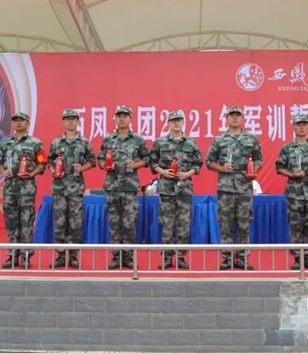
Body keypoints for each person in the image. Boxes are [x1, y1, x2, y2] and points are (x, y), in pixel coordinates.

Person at [206, 106, 263, 270]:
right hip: (226, 189)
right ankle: (227, 258)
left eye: (238, 115)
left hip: (245, 187)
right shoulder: (219, 139)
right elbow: (209, 162)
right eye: (232, 115)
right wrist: (221, 168)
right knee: (225, 224)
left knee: (244, 224)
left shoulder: (251, 139)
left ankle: (243, 258)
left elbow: (259, 160)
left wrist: (254, 171)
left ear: (242, 118)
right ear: (227, 119)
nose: (235, 118)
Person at [149, 110, 203, 269]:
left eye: (179, 120)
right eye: (173, 120)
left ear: (183, 122)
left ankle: (180, 257)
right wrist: (162, 171)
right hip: (166, 188)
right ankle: (167, 257)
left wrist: (188, 173)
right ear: (168, 123)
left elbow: (198, 164)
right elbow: (152, 162)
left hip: (184, 188)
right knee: (167, 224)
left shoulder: (191, 143)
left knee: (184, 224)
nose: (176, 123)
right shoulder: (160, 142)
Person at [98, 106, 149, 269]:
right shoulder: (108, 139)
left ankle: (128, 256)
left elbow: (147, 159)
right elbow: (100, 159)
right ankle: (116, 257)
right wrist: (106, 166)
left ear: (130, 119)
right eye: (119, 116)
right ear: (115, 118)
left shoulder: (137, 140)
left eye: (125, 116)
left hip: (129, 187)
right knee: (114, 223)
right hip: (112, 186)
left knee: (129, 223)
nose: (121, 119)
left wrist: (135, 164)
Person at [0, 112, 46, 269]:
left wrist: (32, 173)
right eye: (16, 121)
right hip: (10, 189)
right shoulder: (6, 143)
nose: (18, 123)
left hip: (27, 189)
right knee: (11, 223)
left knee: (26, 223)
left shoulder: (35, 143)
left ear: (27, 123)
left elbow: (42, 163)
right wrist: (3, 172)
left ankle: (25, 257)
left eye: (21, 120)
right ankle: (12, 255)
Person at [275, 113, 308, 270]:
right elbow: (279, 167)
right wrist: (291, 174)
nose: (301, 127)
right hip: (294, 193)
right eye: (298, 124)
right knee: (296, 226)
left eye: (304, 124)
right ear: (293, 127)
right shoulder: (287, 148)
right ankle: (297, 258)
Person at [48, 109, 96, 268]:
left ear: (78, 122)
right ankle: (61, 256)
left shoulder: (84, 142)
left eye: (73, 119)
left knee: (75, 223)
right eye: (67, 119)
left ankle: (74, 255)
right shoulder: (56, 142)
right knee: (59, 222)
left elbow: (92, 161)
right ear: (63, 122)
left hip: (76, 188)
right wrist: (53, 171)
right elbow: (49, 161)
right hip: (59, 188)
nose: (70, 121)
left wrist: (82, 168)